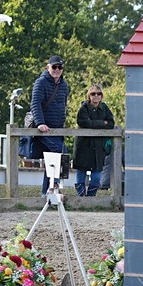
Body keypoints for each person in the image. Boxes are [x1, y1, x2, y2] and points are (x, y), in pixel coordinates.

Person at [31, 54, 70, 194]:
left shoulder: (64, 85)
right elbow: (35, 103)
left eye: (60, 67)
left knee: (52, 159)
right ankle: (55, 186)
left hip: (58, 128)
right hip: (45, 128)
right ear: (48, 67)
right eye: (54, 67)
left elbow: (63, 105)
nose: (57, 69)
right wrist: (40, 123)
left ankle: (47, 191)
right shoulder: (41, 82)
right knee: (59, 152)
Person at [73, 83, 115, 196]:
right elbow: (83, 122)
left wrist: (95, 124)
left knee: (96, 176)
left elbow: (111, 123)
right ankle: (81, 198)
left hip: (98, 147)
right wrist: (102, 123)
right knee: (81, 173)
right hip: (84, 146)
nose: (96, 96)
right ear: (89, 95)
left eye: (99, 93)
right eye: (93, 93)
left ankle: (91, 198)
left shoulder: (105, 108)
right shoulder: (84, 108)